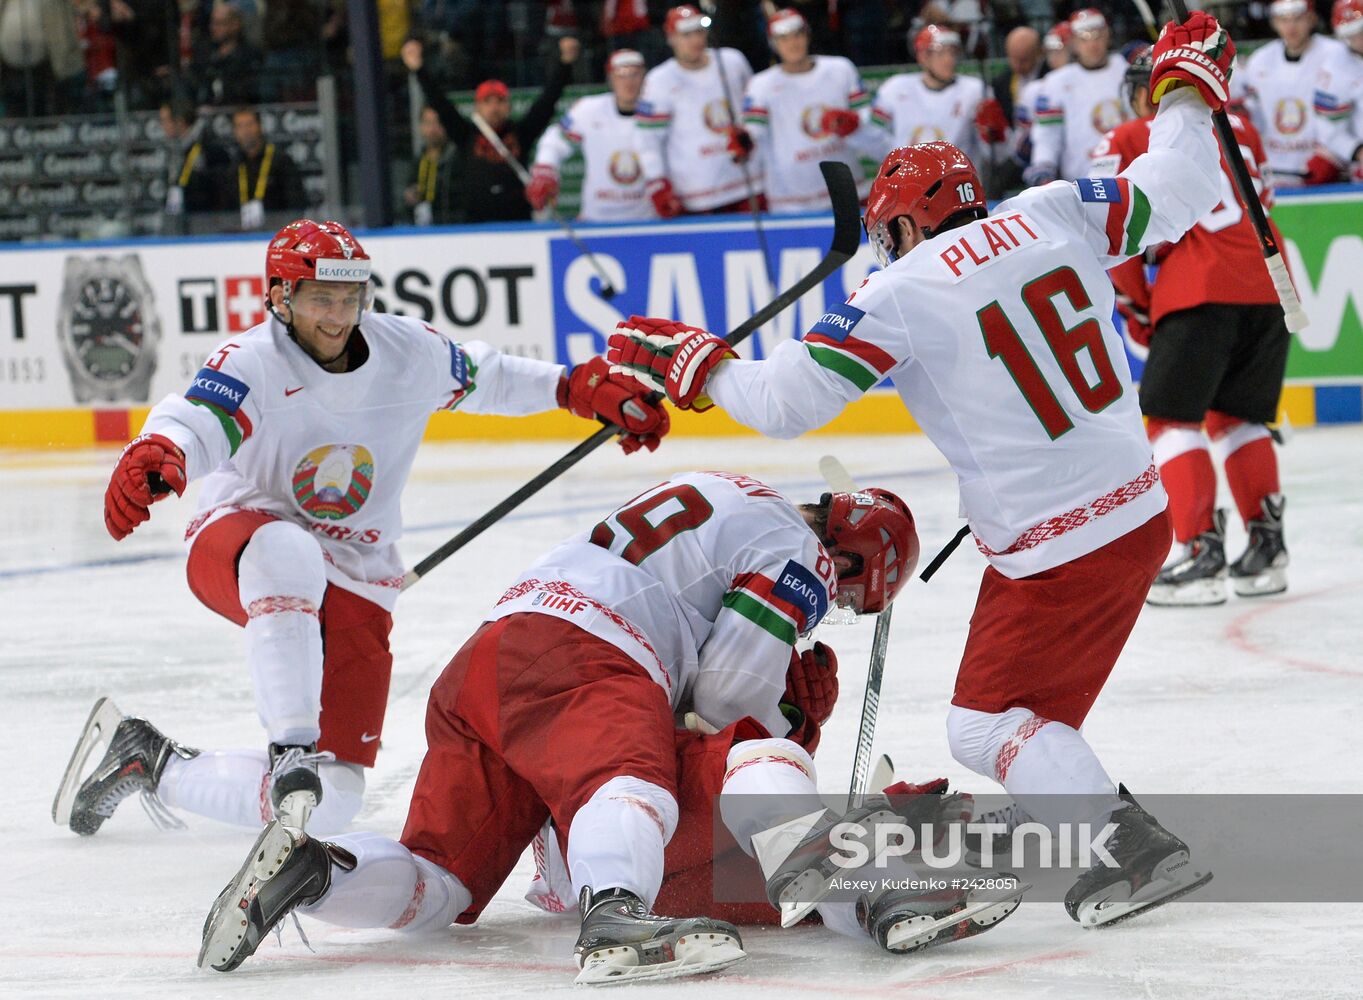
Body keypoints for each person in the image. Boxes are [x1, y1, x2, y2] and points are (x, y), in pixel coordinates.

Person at [607, 12, 1237, 927]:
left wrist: (700, 369)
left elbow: (784, 403)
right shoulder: (1053, 207)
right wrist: (1183, 91)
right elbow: (1176, 182)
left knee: (982, 724)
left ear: (902, 222)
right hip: (1140, 515)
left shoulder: (899, 290)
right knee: (1028, 721)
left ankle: (1129, 849)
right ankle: (1069, 824)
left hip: (1052, 550)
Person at [53, 219, 670, 843]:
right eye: (322, 298)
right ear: (280, 296)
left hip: (357, 571)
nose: (338, 316)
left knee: (335, 797)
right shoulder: (252, 360)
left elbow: (492, 377)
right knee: (286, 549)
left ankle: (150, 761)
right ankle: (289, 745)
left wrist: (576, 387)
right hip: (241, 544)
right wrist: (166, 449)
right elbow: (201, 416)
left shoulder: (408, 351)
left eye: (350, 299)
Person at [194, 472, 917, 982]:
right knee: (631, 781)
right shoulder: (804, 552)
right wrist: (786, 718)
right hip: (587, 652)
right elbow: (720, 699)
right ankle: (615, 916)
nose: (834, 605)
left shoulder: (731, 494)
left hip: (485, 659)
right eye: (848, 596)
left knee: (437, 885)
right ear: (853, 559)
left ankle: (313, 872)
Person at [1092, 51, 1292, 605]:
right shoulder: (1242, 126)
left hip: (1199, 287)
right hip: (1270, 283)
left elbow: (1117, 228)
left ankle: (1201, 553)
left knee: (1170, 420)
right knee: (1240, 418)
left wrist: (1137, 300)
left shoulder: (1133, 133)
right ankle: (1266, 550)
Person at [401, 34, 580, 223]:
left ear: (508, 107)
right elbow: (440, 102)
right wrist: (418, 69)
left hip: (518, 225)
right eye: (488, 102)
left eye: (500, 101)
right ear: (478, 107)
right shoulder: (466, 134)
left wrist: (565, 64)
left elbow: (547, 102)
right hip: (475, 227)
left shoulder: (521, 133)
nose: (494, 108)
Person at [740, 7, 877, 214]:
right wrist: (741, 141)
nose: (792, 43)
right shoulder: (760, 85)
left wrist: (854, 122)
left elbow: (868, 118)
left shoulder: (840, 69)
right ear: (773, 43)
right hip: (790, 199)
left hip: (848, 189)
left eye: (797, 34)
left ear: (807, 35)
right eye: (783, 37)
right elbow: (752, 133)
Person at [636, 4, 762, 218]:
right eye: (686, 34)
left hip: (746, 184)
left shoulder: (732, 61)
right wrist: (658, 183)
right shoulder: (659, 81)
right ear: (671, 38)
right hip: (696, 194)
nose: (695, 40)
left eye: (699, 32)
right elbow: (647, 140)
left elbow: (754, 111)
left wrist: (749, 135)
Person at [528, 48, 655, 222]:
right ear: (610, 78)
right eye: (621, 75)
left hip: (648, 220)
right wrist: (546, 170)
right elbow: (555, 140)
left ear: (644, 77)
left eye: (635, 74)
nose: (629, 82)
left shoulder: (658, 112)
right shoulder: (588, 110)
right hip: (596, 220)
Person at [1233, 0, 1345, 186]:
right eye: (1283, 19)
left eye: (1298, 19)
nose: (1291, 26)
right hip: (1273, 172)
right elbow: (1251, 111)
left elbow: (1352, 112)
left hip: (1325, 171)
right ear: (1274, 22)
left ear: (1311, 18)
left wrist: (1333, 156)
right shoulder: (1260, 60)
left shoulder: (1336, 55)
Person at [870, 25, 1006, 171]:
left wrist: (995, 137)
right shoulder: (895, 88)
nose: (949, 60)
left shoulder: (975, 91)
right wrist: (900, 160)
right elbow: (872, 135)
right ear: (923, 56)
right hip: (908, 183)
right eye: (941, 53)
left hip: (957, 185)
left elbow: (998, 156)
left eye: (953, 53)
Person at [1025, 8, 1129, 184]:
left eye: (1097, 36)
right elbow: (1048, 133)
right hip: (1080, 184)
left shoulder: (1127, 71)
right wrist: (1043, 165)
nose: (1092, 44)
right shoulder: (1055, 82)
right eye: (1084, 38)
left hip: (1130, 175)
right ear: (1073, 42)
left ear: (1107, 35)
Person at [1306, 0, 1363, 183]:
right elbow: (1329, 129)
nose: (1360, 40)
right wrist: (1357, 151)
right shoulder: (1335, 70)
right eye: (1352, 35)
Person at [228, 106, 307, 231]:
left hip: (277, 233)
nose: (245, 131)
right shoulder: (233, 165)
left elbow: (296, 203)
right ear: (234, 132)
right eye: (240, 126)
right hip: (241, 235)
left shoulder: (281, 161)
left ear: (260, 126)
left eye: (249, 124)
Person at [159, 95, 231, 227]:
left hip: (206, 222)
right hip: (180, 221)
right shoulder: (173, 150)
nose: (162, 126)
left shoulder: (207, 148)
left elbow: (220, 189)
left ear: (179, 121)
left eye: (165, 120)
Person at [189, 0, 262, 107]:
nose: (213, 28)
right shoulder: (203, 52)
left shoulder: (249, 55)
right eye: (212, 23)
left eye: (219, 23)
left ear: (235, 25)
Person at [403, 105, 458, 226]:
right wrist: (410, 198)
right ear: (421, 127)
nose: (433, 129)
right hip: (426, 233)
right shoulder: (418, 162)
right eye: (427, 123)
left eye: (437, 122)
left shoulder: (457, 158)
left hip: (456, 230)